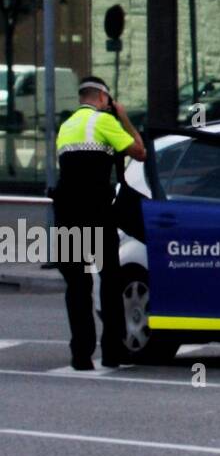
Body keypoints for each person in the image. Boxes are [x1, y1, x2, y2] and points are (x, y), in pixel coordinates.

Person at [53, 76, 145, 371]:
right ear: (103, 99)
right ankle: (111, 352)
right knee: (109, 281)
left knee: (77, 286)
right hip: (97, 212)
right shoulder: (104, 122)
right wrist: (125, 118)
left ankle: (81, 355)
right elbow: (139, 152)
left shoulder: (65, 127)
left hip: (67, 213)